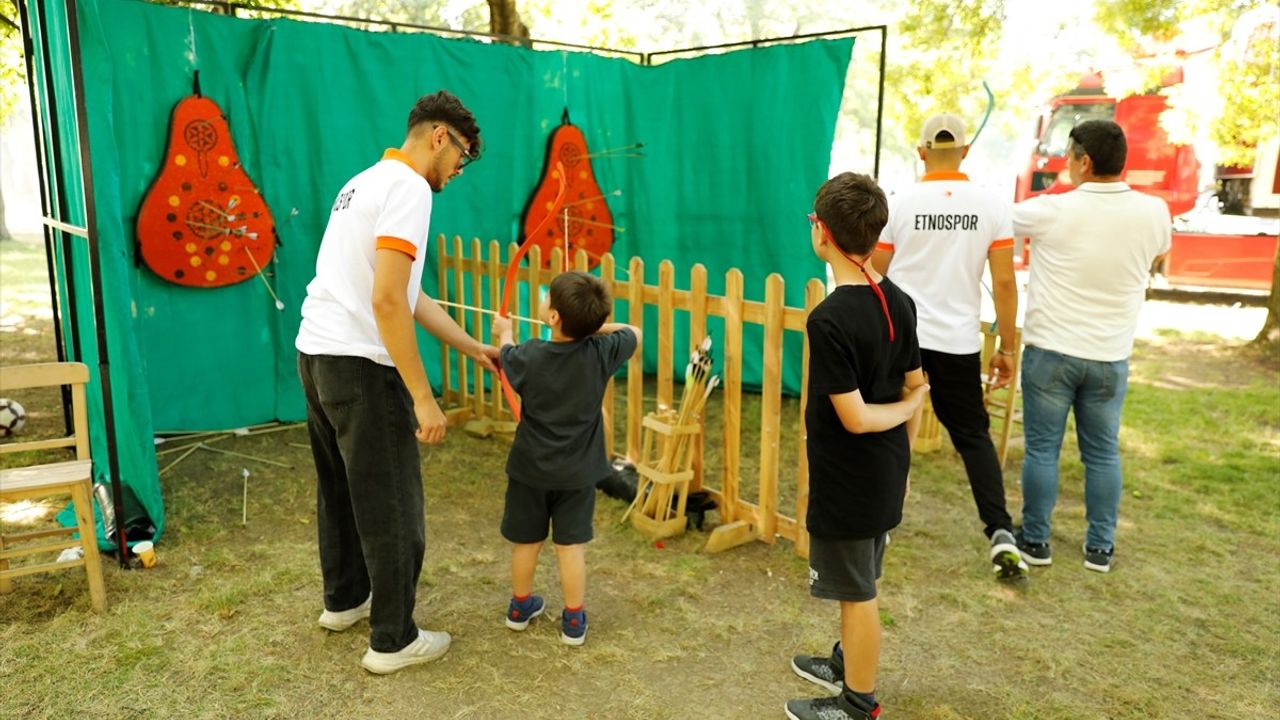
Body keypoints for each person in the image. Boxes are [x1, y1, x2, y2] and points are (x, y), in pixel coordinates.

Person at [295, 90, 499, 674]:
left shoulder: (364, 181)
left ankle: (345, 600)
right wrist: (423, 397)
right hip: (360, 363)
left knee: (339, 488)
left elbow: (408, 294)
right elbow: (387, 300)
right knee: (392, 505)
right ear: (440, 137)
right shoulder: (409, 188)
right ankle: (393, 640)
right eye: (461, 158)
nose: (458, 173)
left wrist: (473, 348)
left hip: (318, 354)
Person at [787, 173, 929, 720]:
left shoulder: (829, 319)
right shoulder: (898, 300)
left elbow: (859, 416)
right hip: (886, 469)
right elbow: (915, 385)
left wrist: (906, 411)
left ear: (821, 232)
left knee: (858, 593)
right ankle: (849, 661)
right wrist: (907, 454)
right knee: (862, 579)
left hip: (851, 480)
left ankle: (857, 702)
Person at [871, 113, 1029, 582]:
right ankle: (1001, 531)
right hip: (957, 341)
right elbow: (1004, 281)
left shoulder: (899, 204)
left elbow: (875, 271)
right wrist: (1007, 345)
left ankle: (880, 526)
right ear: (964, 152)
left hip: (901, 336)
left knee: (891, 429)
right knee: (973, 436)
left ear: (921, 152)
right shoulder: (991, 204)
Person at [1011, 119, 1170, 574]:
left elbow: (998, 219)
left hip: (1051, 352)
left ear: (1085, 161)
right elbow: (1158, 251)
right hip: (1110, 355)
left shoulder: (1052, 210)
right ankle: (1099, 547)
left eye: (1068, 153)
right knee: (1102, 453)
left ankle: (1036, 541)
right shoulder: (1153, 212)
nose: (1065, 162)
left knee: (1043, 449)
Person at [491, 271, 639, 646]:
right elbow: (634, 332)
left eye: (548, 300)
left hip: (529, 470)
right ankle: (573, 620)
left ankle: (519, 607)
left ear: (553, 317)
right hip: (577, 473)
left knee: (526, 540)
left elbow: (504, 355)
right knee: (570, 545)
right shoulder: (601, 352)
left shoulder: (530, 354)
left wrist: (503, 332)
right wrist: (597, 328)